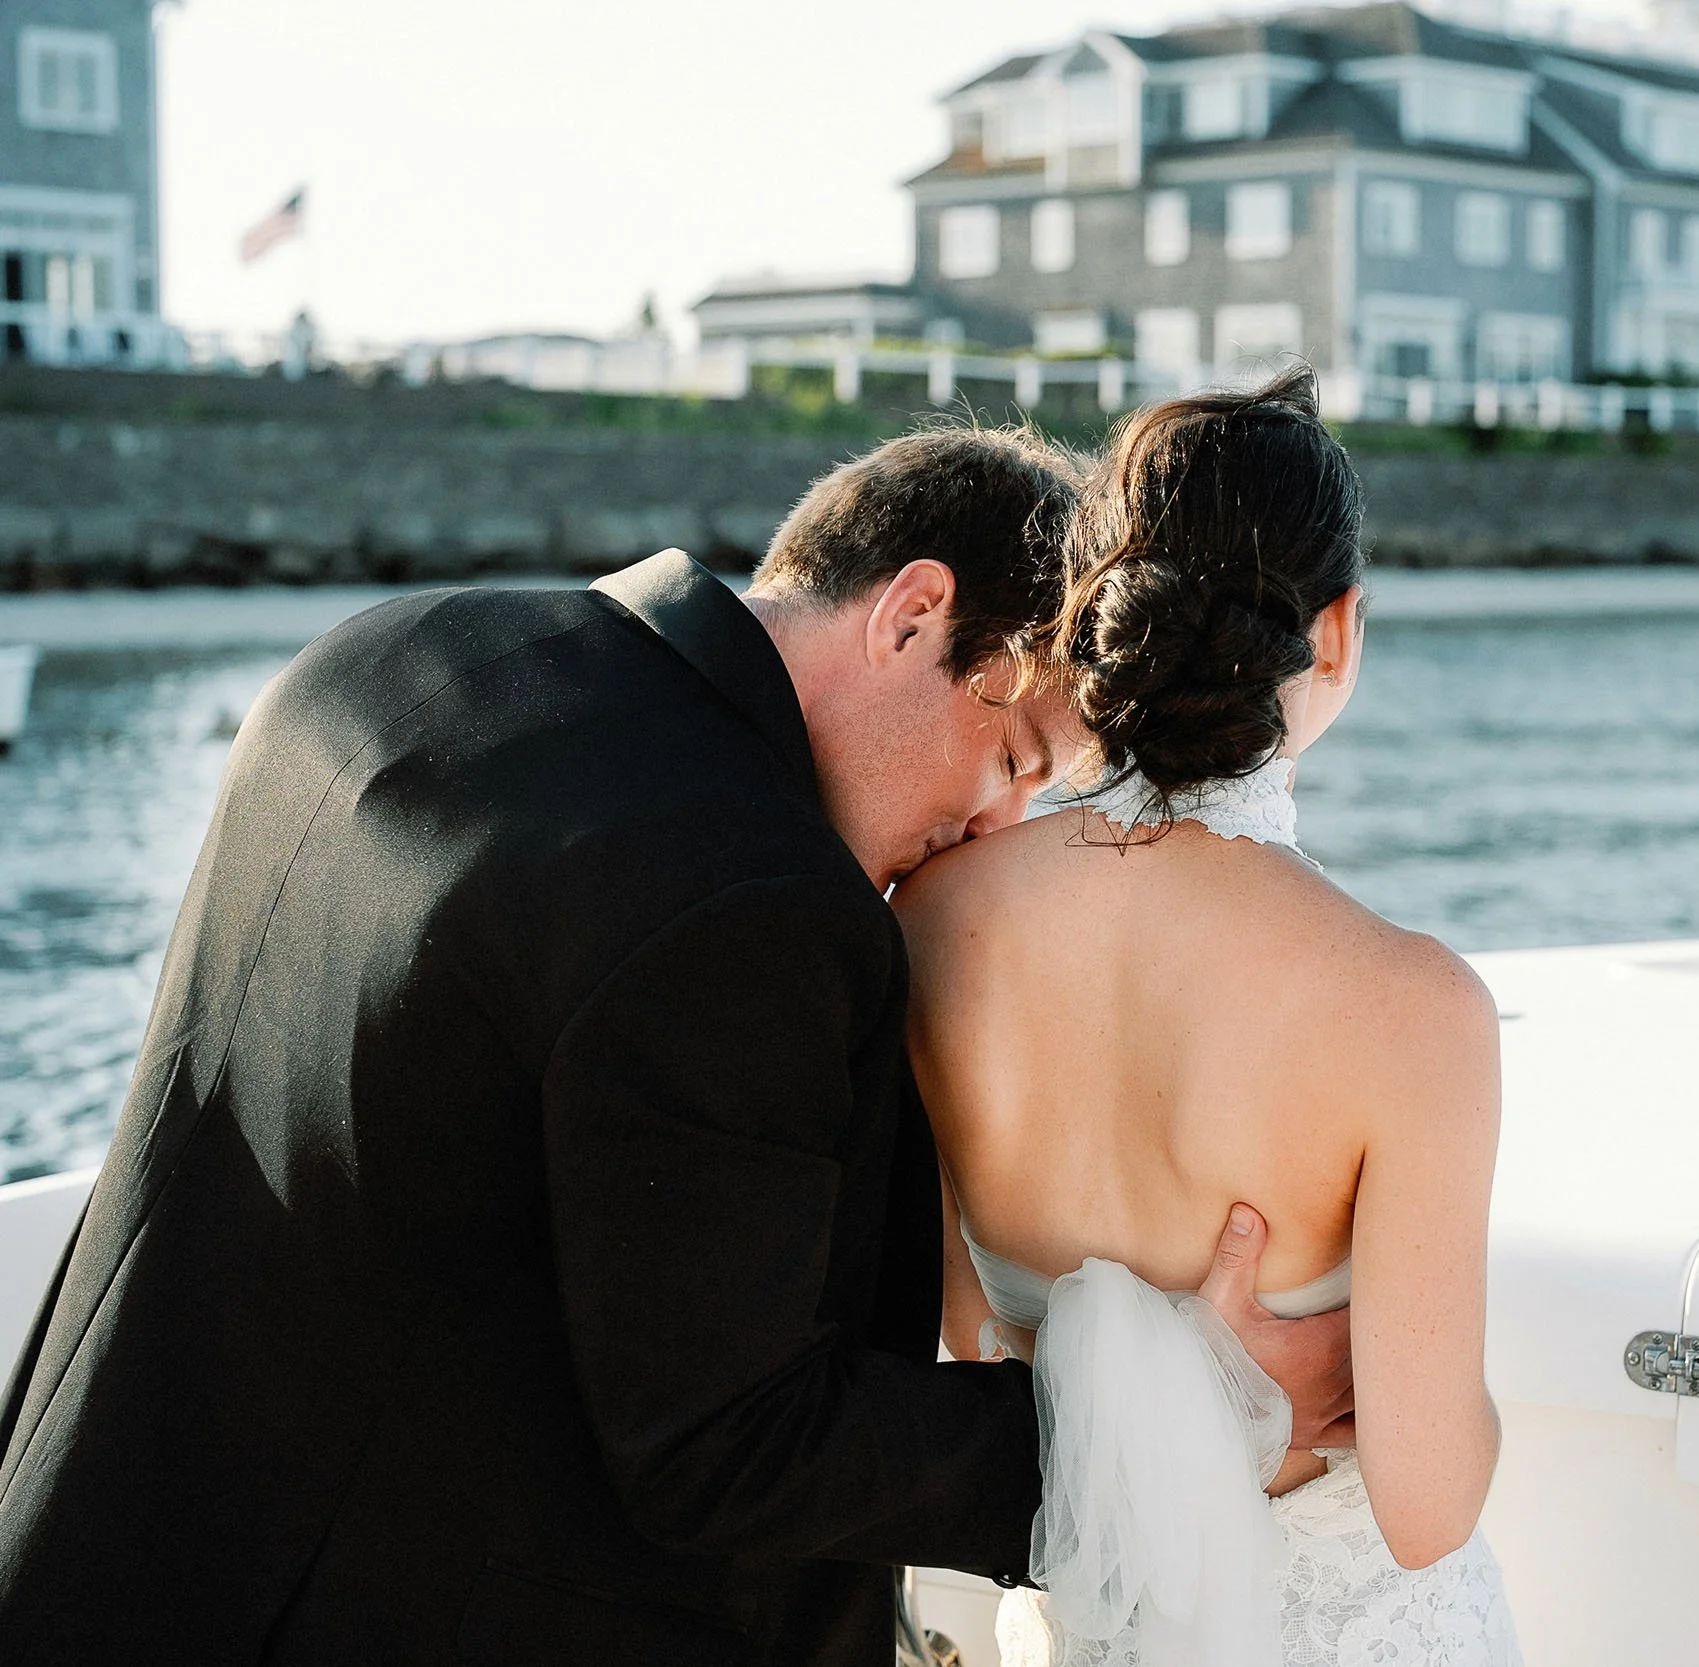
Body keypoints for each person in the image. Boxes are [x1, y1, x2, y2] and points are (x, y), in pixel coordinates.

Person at [0, 425, 1350, 1666]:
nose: (999, 828)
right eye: (1012, 754)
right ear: (914, 614)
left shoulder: (387, 657)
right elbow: (738, 1446)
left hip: (102, 1546)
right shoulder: (748, 902)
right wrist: (1181, 1421)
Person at [896, 369, 1521, 1667]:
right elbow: (1424, 1506)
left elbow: (963, 1338)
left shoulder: (926, 920)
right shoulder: (1410, 1006)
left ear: (1090, 617)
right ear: (1336, 632)